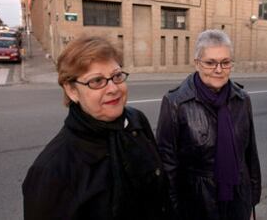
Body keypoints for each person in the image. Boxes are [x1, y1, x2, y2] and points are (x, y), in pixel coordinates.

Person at [22, 36, 169, 220]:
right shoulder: (52, 171)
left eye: (116, 76)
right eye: (97, 81)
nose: (113, 89)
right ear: (71, 90)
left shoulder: (135, 120)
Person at [156, 29, 261, 220]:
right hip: (197, 204)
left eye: (225, 62)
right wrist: (172, 212)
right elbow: (168, 167)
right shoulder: (175, 103)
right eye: (210, 63)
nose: (219, 69)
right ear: (197, 63)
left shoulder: (242, 99)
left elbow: (249, 154)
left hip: (237, 199)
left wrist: (252, 202)